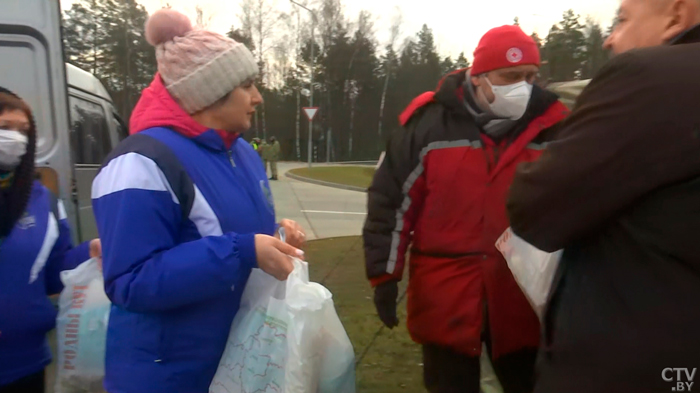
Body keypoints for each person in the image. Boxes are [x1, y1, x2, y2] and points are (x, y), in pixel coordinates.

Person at [90, 10, 306, 393]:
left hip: (233, 365)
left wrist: (272, 239)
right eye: (247, 85)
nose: (258, 97)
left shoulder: (242, 153)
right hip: (166, 377)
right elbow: (130, 280)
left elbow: (216, 235)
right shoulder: (140, 161)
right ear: (210, 91)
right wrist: (242, 251)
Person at [363, 25, 570, 393]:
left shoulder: (553, 129)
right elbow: (391, 203)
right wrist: (384, 275)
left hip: (523, 304)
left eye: (530, 77)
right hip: (447, 301)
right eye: (510, 77)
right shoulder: (427, 125)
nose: (522, 87)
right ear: (479, 77)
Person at [507, 0, 700, 392]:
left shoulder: (652, 76)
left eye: (623, 19)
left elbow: (535, 205)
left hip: (632, 365)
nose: (610, 39)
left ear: (676, 16)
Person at [0, 88, 101, 393]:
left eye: (24, 131)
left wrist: (89, 252)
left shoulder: (40, 198)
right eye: (5, 128)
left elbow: (53, 274)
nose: (15, 139)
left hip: (28, 362)